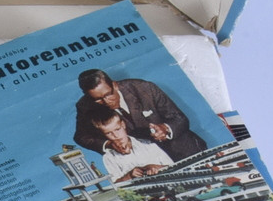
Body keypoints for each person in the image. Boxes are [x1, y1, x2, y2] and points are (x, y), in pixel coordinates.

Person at [72, 69, 207, 162]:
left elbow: (179, 118)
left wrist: (166, 128)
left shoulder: (145, 88)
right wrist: (109, 144)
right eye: (98, 99)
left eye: (108, 94)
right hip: (147, 162)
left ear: (115, 85)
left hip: (185, 152)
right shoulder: (85, 106)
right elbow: (81, 136)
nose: (106, 102)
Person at [85, 104, 173, 182]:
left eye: (117, 129)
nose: (116, 135)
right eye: (108, 133)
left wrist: (156, 167)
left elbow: (172, 166)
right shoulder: (109, 157)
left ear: (123, 125)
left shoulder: (148, 144)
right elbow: (117, 186)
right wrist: (129, 176)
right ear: (103, 134)